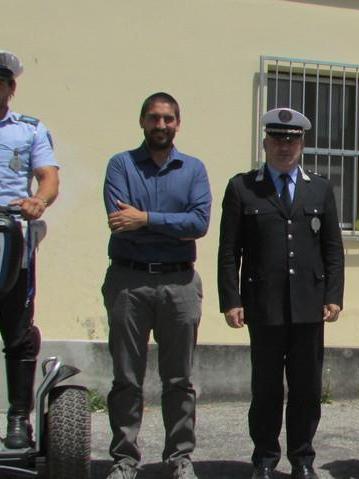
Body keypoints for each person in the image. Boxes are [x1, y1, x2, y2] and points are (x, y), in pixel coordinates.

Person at [217, 108, 344, 479]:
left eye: (291, 140)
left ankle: (302, 459)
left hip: (309, 304)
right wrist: (232, 300)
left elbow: (332, 248)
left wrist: (334, 295)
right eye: (277, 139)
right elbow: (229, 251)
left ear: (302, 144)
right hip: (264, 304)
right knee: (266, 388)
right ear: (265, 143)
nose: (284, 146)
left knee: (307, 388)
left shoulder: (319, 188)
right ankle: (265, 459)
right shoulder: (243, 187)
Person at [101, 92, 211, 479]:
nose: (161, 125)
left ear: (178, 123)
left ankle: (180, 458)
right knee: (126, 378)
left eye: (168, 118)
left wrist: (145, 219)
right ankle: (125, 459)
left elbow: (198, 224)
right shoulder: (121, 165)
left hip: (179, 283)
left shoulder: (193, 169)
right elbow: (119, 222)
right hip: (128, 281)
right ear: (142, 121)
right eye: (153, 118)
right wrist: (171, 225)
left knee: (179, 379)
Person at [0, 50, 59, 449]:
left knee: (18, 331)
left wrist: (39, 200)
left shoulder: (29, 130)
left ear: (11, 88)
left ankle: (18, 418)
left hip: (11, 241)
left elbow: (48, 177)